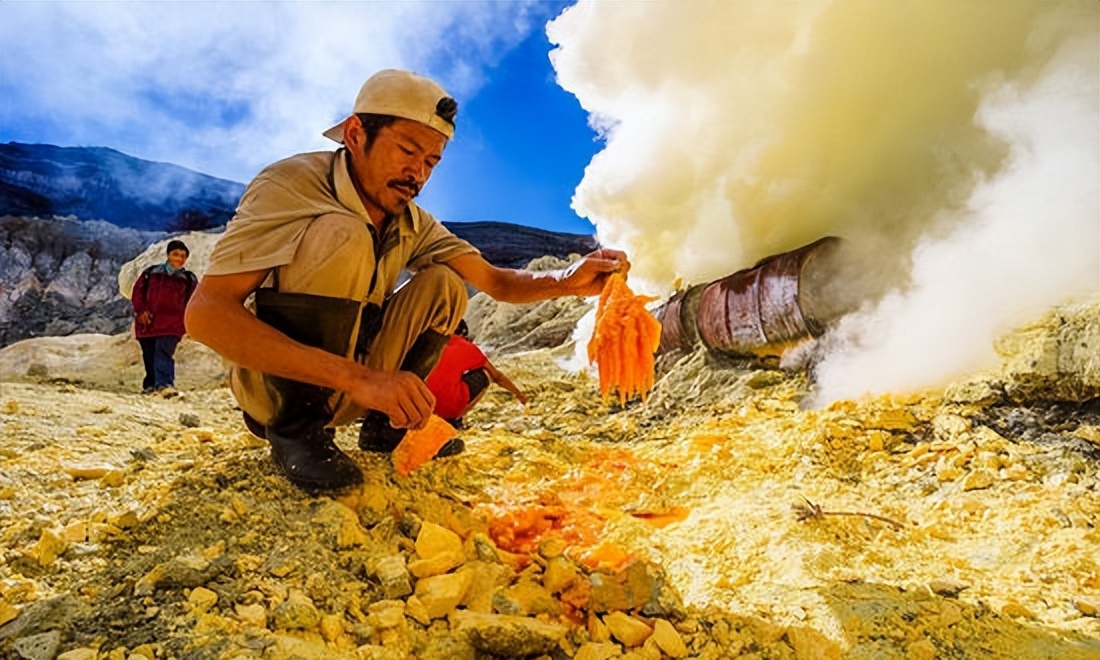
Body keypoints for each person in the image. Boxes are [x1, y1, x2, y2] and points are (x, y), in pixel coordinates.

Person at [185, 69, 628, 492]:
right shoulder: (291, 184)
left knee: (445, 284)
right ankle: (297, 430)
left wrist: (569, 279)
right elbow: (206, 314)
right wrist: (359, 378)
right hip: (274, 391)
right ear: (357, 135)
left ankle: (388, 426)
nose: (418, 173)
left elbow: (496, 282)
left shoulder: (412, 221)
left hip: (358, 389)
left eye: (431, 161)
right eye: (407, 150)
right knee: (343, 233)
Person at [425, 320, 528, 429]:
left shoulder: (427, 343)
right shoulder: (465, 345)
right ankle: (457, 419)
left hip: (424, 407)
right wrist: (520, 396)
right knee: (486, 373)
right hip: (448, 410)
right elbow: (497, 377)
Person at [131, 239, 197, 397]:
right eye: (175, 254)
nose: (179, 259)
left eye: (182, 256)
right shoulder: (151, 273)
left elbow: (194, 301)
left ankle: (165, 384)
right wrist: (141, 311)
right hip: (148, 322)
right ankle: (151, 385)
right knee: (149, 354)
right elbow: (138, 293)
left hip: (173, 323)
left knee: (163, 352)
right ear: (168, 255)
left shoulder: (189, 279)